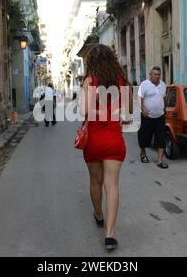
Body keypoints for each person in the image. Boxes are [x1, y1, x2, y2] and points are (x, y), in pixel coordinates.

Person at [80, 44, 133, 251]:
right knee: (112, 185)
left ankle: (98, 215)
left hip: (93, 139)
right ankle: (110, 235)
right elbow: (128, 113)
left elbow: (84, 111)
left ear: (91, 61)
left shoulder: (89, 81)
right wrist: (120, 120)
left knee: (95, 181)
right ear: (112, 59)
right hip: (113, 139)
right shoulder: (121, 81)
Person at [138, 66, 169, 169]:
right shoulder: (144, 85)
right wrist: (143, 109)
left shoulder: (163, 85)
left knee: (160, 138)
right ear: (150, 75)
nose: (157, 76)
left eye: (158, 74)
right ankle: (143, 153)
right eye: (155, 74)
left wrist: (164, 110)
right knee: (144, 137)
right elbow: (140, 98)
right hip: (147, 116)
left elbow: (163, 98)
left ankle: (159, 161)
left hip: (160, 116)